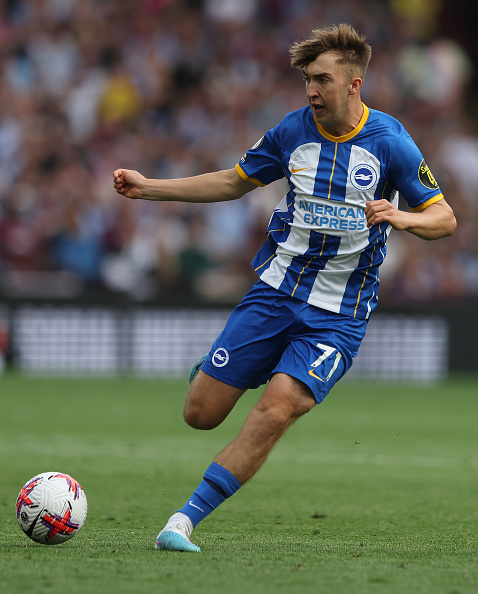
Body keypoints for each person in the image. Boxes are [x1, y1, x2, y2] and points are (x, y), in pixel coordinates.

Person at [113, 24, 456, 552]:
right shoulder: (291, 133)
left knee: (276, 410)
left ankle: (182, 521)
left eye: (322, 79)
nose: (312, 90)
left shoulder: (391, 143)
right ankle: (216, 373)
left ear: (354, 84)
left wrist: (404, 218)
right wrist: (149, 188)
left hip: (338, 316)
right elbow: (233, 182)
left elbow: (445, 218)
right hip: (276, 293)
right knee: (199, 415)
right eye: (307, 81)